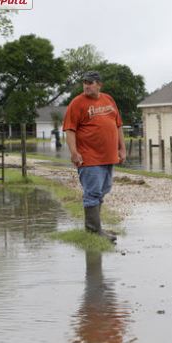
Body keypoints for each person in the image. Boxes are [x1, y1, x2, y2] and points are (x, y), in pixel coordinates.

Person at [63, 71, 126, 243]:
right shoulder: (77, 103)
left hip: (109, 156)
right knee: (92, 193)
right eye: (84, 82)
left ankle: (96, 228)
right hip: (89, 158)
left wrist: (122, 149)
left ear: (99, 84)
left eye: (90, 82)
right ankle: (92, 231)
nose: (86, 85)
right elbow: (70, 130)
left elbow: (118, 125)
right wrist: (74, 153)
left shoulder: (108, 99)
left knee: (103, 190)